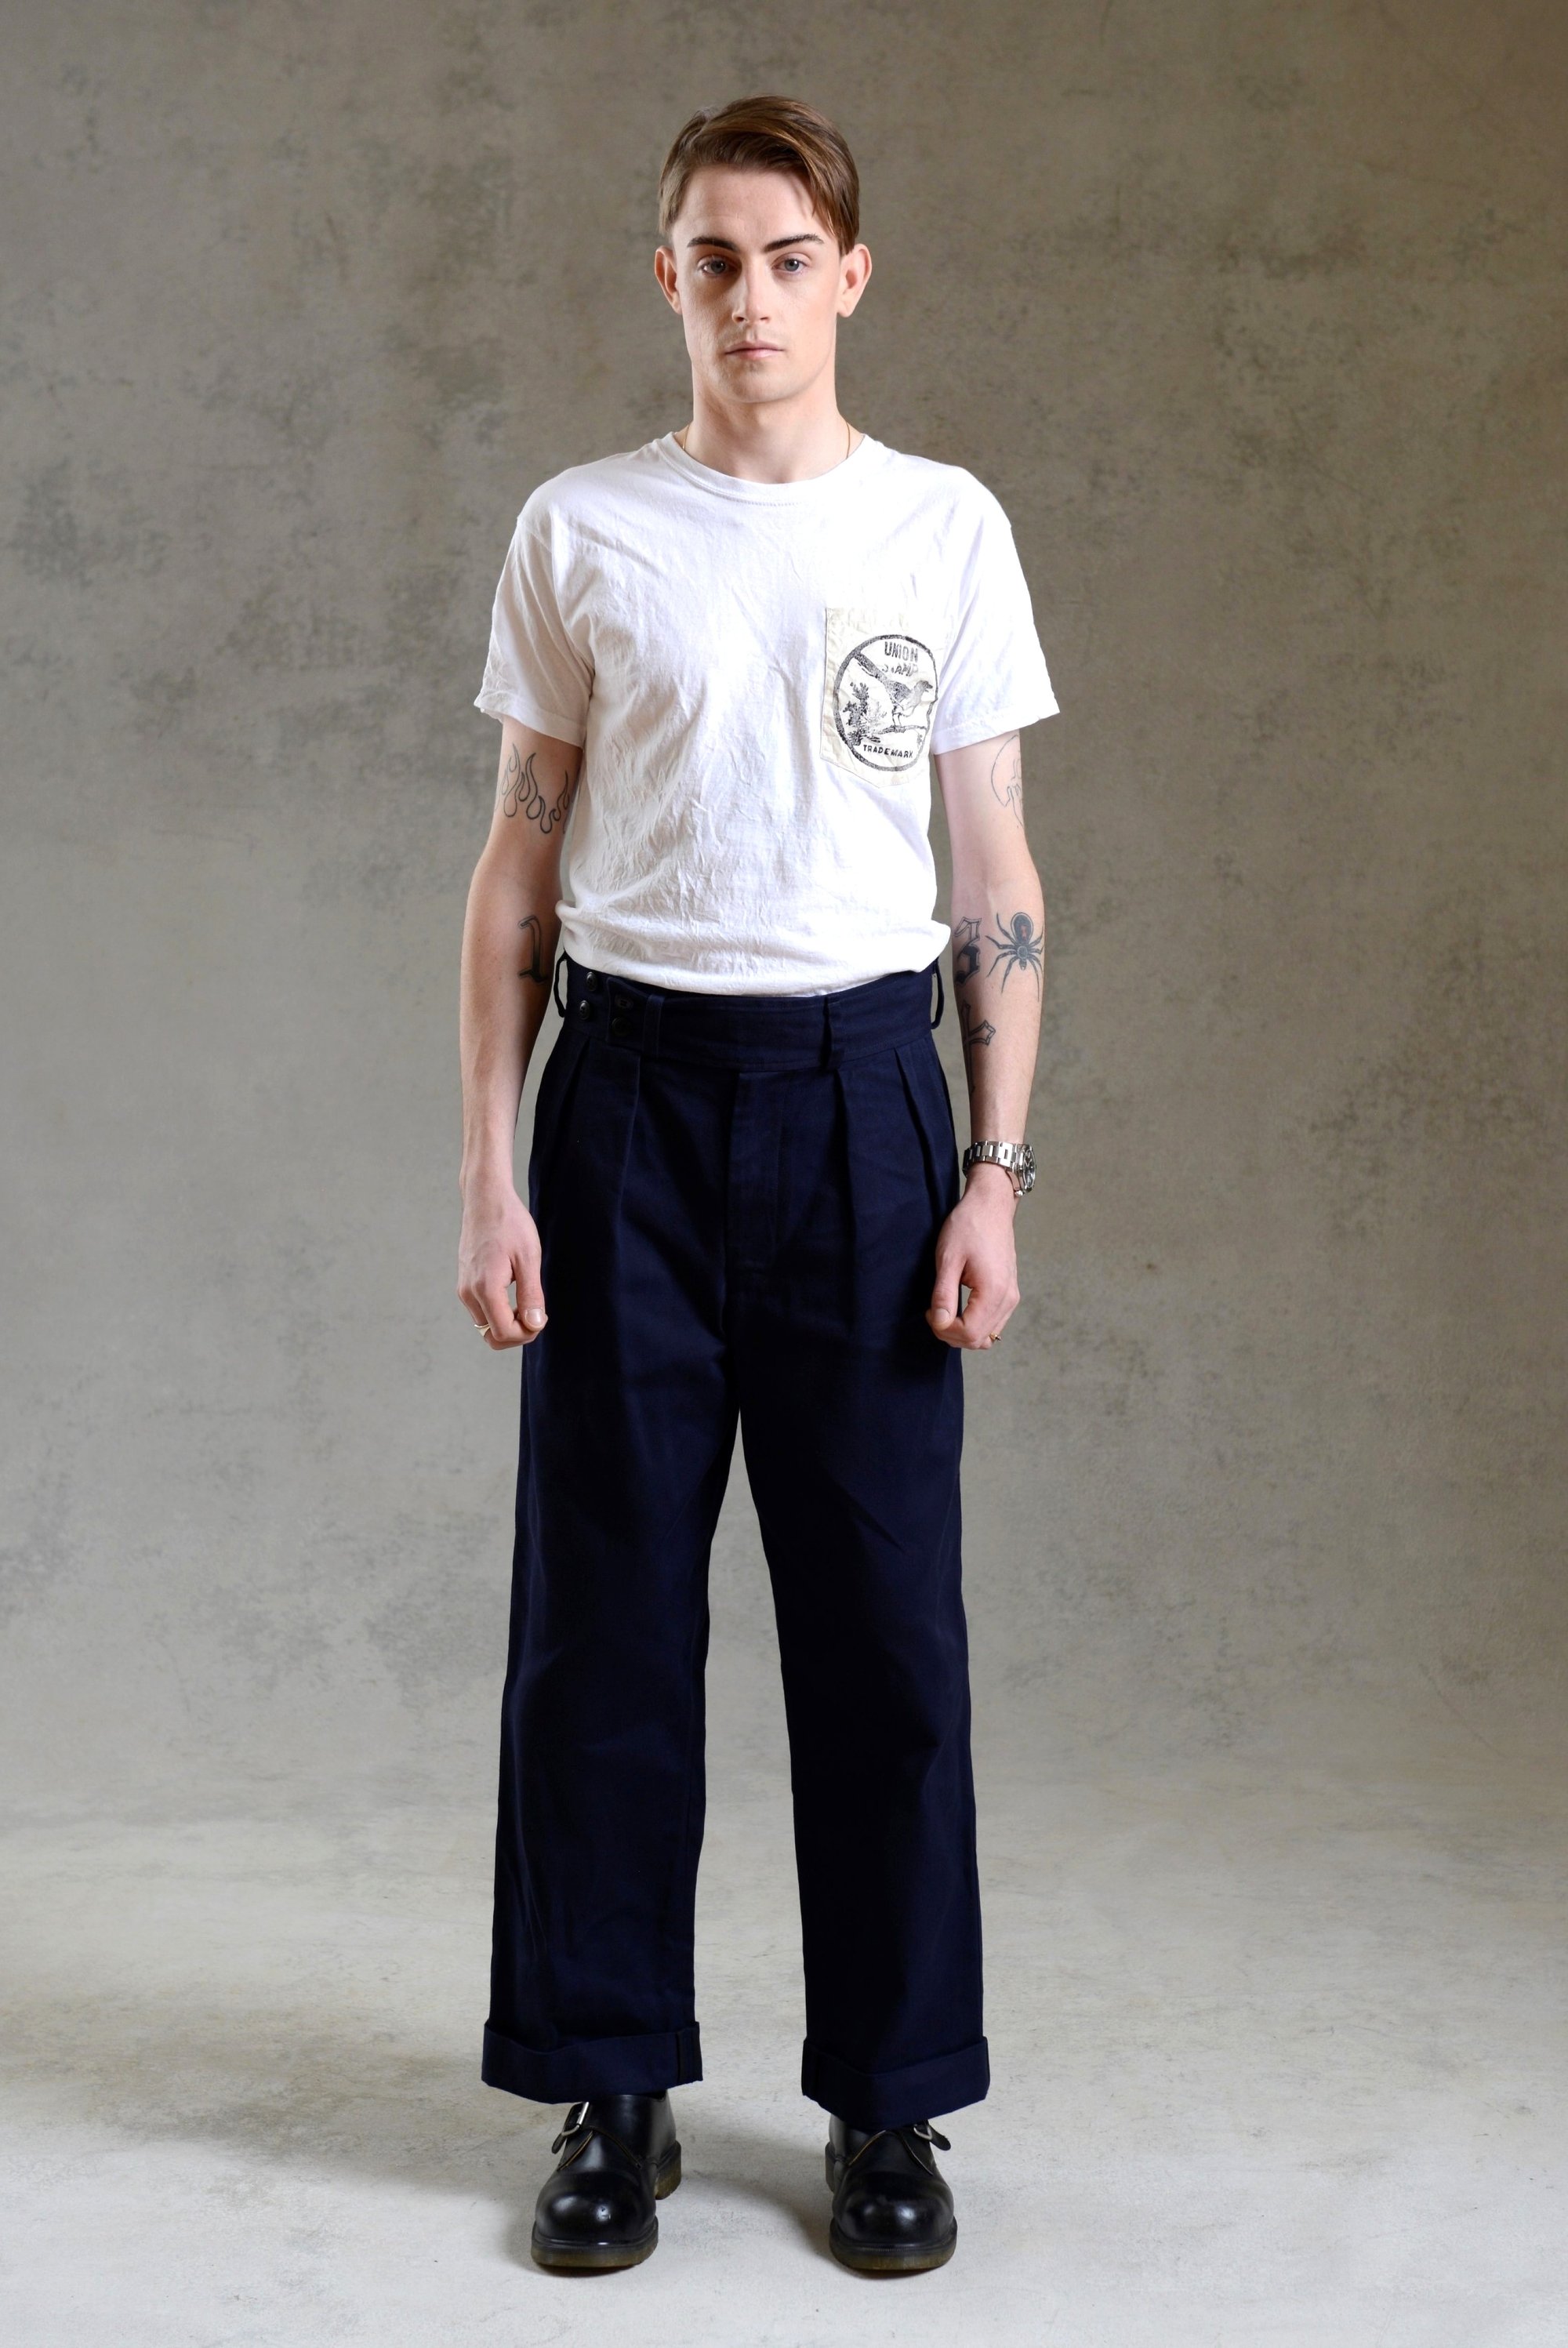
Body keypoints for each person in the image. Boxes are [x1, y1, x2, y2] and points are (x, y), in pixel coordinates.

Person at [457, 93, 1055, 2277]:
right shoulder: (585, 531)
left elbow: (994, 879)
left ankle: (892, 2099)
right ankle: (609, 2084)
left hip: (864, 1108)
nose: (753, 297)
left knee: (885, 1628)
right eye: (715, 259)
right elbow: (514, 875)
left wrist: (991, 1174)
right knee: (602, 1623)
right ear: (669, 281)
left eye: (791, 257)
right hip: (627, 1105)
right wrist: (490, 1172)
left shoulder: (943, 529)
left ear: (852, 277)